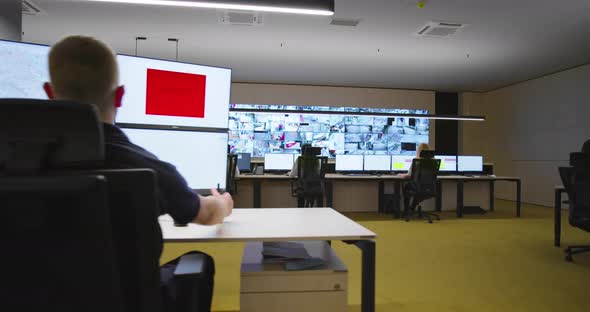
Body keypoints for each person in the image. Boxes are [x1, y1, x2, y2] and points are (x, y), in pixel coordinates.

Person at [43, 35, 232, 312]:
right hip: (127, 301)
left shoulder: (13, 162)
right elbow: (205, 214)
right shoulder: (145, 165)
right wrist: (223, 203)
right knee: (197, 260)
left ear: (49, 93)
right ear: (119, 95)